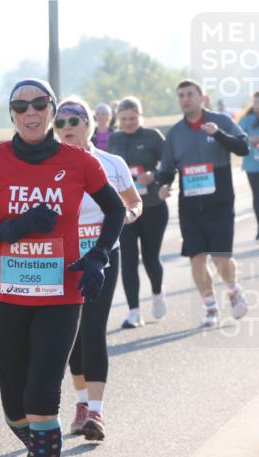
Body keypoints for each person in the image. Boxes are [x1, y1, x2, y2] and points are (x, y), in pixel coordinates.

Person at [0, 79, 125, 457]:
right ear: (11, 113)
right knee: (15, 407)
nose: (29, 112)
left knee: (42, 398)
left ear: (51, 110)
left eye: (38, 104)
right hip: (6, 295)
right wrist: (14, 226)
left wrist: (98, 255)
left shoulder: (79, 161)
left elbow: (114, 213)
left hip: (61, 296)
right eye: (20, 106)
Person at [55, 97, 143, 441]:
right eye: (60, 122)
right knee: (71, 336)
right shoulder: (47, 164)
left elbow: (133, 202)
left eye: (74, 120)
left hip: (104, 254)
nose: (67, 128)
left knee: (93, 330)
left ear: (91, 123)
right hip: (62, 260)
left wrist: (127, 218)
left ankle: (96, 411)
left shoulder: (111, 162)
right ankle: (79, 403)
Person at [157, 80, 250, 327]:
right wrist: (163, 184)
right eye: (181, 96)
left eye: (190, 94)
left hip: (219, 201)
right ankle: (210, 308)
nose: (185, 99)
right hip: (189, 205)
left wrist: (218, 134)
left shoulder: (221, 121)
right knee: (196, 258)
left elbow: (243, 148)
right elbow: (167, 167)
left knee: (221, 258)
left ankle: (232, 288)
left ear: (202, 97)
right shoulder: (175, 133)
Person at [108, 96, 169, 328]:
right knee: (129, 261)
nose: (128, 122)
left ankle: (157, 293)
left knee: (151, 257)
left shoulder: (152, 137)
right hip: (125, 209)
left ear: (140, 116)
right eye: (124, 119)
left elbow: (168, 163)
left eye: (133, 118)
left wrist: (153, 174)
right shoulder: (114, 139)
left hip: (152, 205)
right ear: (118, 119)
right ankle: (134, 311)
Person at [239, 91, 259, 241]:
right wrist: (249, 140)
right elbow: (237, 136)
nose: (257, 105)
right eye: (255, 102)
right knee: (258, 196)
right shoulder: (247, 120)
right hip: (253, 165)